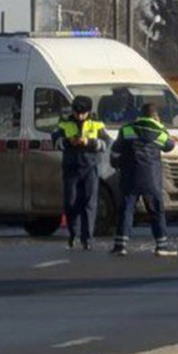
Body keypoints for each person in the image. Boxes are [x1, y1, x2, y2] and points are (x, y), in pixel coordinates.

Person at [110, 103, 178, 257]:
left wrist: (116, 164)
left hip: (130, 175)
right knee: (156, 211)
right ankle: (161, 245)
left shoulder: (127, 129)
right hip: (151, 177)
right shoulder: (158, 132)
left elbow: (115, 150)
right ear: (156, 116)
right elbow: (169, 146)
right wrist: (167, 134)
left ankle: (120, 245)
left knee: (126, 210)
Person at [50, 95, 110, 251]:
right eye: (77, 113)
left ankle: (87, 238)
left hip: (90, 167)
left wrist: (89, 142)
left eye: (83, 113)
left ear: (88, 112)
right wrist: (69, 141)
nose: (80, 116)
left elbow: (106, 143)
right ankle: (73, 234)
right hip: (71, 168)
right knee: (71, 202)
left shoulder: (96, 124)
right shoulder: (64, 123)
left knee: (89, 203)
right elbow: (55, 142)